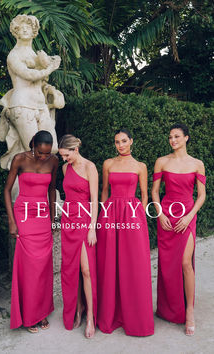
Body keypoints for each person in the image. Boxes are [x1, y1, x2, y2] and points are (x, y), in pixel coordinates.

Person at [97, 128, 154, 336]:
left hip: (132, 215)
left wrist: (140, 218)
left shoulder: (140, 166)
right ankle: (111, 314)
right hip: (111, 214)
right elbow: (104, 192)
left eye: (123, 141)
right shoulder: (108, 164)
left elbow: (145, 195)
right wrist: (101, 218)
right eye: (116, 142)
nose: (120, 145)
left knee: (133, 264)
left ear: (131, 141)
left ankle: (135, 317)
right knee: (110, 264)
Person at [151, 123, 206, 336]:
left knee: (185, 262)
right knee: (167, 265)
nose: (172, 140)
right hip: (166, 216)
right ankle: (168, 309)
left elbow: (201, 195)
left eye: (177, 136)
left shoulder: (197, 164)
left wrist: (190, 216)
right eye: (170, 137)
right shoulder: (161, 162)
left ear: (186, 138)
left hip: (187, 216)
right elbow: (155, 192)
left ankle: (189, 311)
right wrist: (161, 214)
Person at [4, 130, 59, 333]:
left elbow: (52, 189)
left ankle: (41, 311)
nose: (43, 156)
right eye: (40, 152)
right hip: (24, 214)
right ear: (33, 144)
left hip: (43, 215)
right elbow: (7, 190)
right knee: (28, 267)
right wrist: (12, 221)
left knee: (43, 266)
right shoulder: (19, 159)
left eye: (46, 153)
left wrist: (53, 218)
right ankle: (28, 315)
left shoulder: (53, 162)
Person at [0, 14, 64, 171]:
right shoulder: (13, 55)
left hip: (40, 106)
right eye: (22, 28)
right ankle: (25, 190)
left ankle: (39, 190)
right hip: (22, 105)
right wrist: (49, 68)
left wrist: (48, 64)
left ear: (34, 32)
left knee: (52, 147)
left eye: (29, 27)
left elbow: (42, 80)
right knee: (35, 151)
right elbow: (28, 75)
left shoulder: (35, 55)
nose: (25, 30)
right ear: (16, 32)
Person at [58, 134, 98, 338]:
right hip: (68, 220)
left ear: (75, 149)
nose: (64, 160)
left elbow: (94, 201)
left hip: (85, 220)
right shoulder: (65, 168)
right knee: (71, 268)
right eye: (62, 156)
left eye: (66, 155)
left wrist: (92, 228)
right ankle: (79, 308)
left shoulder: (90, 167)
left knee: (86, 269)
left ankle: (90, 316)